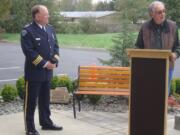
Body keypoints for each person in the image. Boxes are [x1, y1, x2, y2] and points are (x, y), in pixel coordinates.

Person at [21, 5, 63, 135]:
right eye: (46, 15)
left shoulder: (50, 29)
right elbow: (29, 52)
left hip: (47, 73)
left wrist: (54, 62)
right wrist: (45, 63)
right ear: (37, 16)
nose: (48, 16)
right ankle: (30, 129)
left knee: (45, 100)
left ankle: (46, 123)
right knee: (31, 102)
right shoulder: (27, 31)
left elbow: (55, 47)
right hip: (34, 73)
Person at [135, 1, 180, 97]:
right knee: (149, 94)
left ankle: (162, 112)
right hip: (149, 67)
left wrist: (175, 55)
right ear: (152, 13)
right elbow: (138, 47)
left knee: (163, 96)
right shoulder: (144, 27)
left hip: (167, 67)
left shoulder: (173, 27)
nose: (163, 14)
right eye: (159, 12)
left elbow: (177, 47)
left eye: (164, 11)